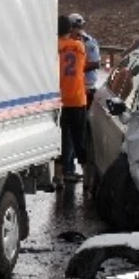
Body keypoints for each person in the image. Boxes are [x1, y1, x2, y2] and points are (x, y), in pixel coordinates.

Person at [57, 14, 88, 184]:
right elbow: (82, 67)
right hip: (77, 99)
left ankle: (59, 177)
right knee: (79, 139)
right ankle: (87, 177)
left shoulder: (54, 47)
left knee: (62, 138)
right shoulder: (79, 46)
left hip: (60, 100)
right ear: (70, 30)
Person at [68, 13, 101, 106]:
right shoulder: (65, 42)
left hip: (87, 85)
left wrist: (77, 69)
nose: (78, 29)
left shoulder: (89, 41)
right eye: (75, 27)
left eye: (80, 26)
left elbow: (96, 63)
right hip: (71, 87)